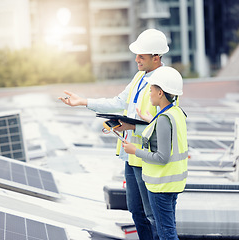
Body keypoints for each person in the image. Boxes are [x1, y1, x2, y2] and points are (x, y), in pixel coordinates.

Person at [58, 29, 170, 240]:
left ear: (156, 57)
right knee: (136, 211)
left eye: (141, 56)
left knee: (151, 215)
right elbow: (119, 103)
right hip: (131, 156)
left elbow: (166, 125)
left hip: (147, 158)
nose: (136, 59)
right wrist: (83, 101)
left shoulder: (166, 81)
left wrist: (133, 128)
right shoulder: (140, 76)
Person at [123, 66, 188, 240]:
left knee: (166, 234)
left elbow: (162, 157)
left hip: (161, 186)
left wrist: (134, 150)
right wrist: (149, 120)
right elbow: (166, 135)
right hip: (171, 184)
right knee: (168, 230)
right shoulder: (175, 113)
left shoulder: (163, 119)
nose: (149, 93)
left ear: (160, 93)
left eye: (151, 89)